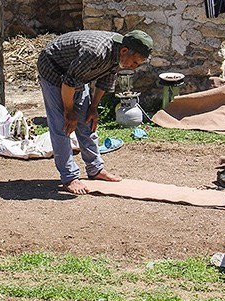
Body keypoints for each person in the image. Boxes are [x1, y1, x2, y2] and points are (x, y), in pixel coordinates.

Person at [37, 29, 153, 195]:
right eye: (134, 62)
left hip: (76, 75)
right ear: (125, 51)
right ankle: (69, 177)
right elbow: (68, 82)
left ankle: (95, 169)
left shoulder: (118, 54)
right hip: (53, 70)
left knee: (87, 122)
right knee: (63, 125)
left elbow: (105, 81)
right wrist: (69, 112)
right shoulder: (95, 51)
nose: (133, 68)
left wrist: (93, 109)